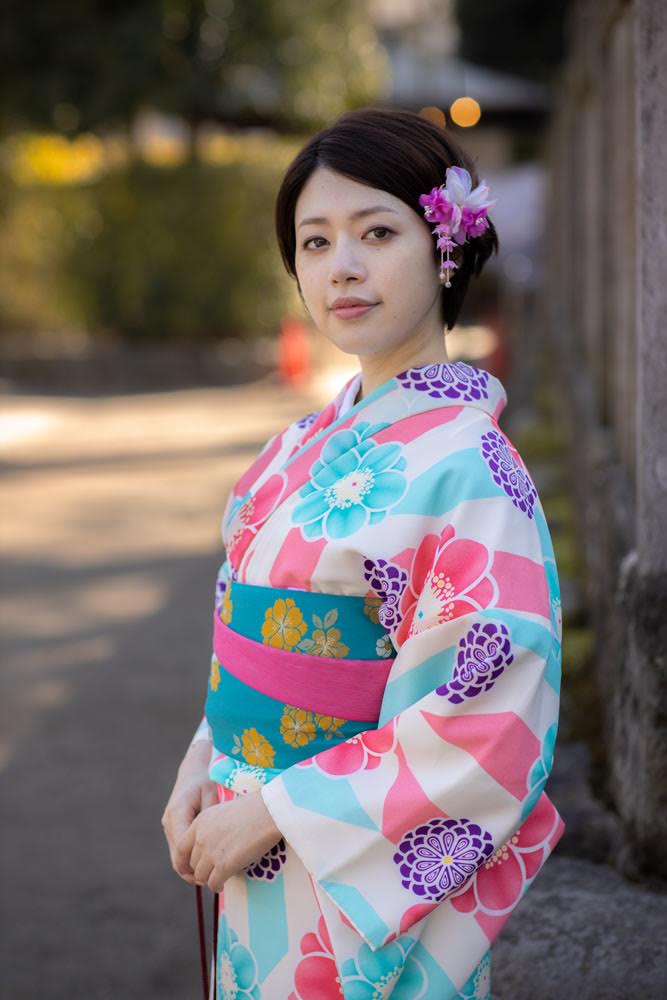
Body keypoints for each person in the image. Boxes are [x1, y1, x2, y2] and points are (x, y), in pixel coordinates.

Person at [161, 107, 565, 1000]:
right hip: (249, 829)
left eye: (376, 232)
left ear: (442, 250)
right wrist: (204, 761)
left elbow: (488, 720)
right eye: (313, 242)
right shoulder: (293, 449)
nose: (340, 266)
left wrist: (274, 809)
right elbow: (247, 656)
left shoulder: (469, 469)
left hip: (340, 864)